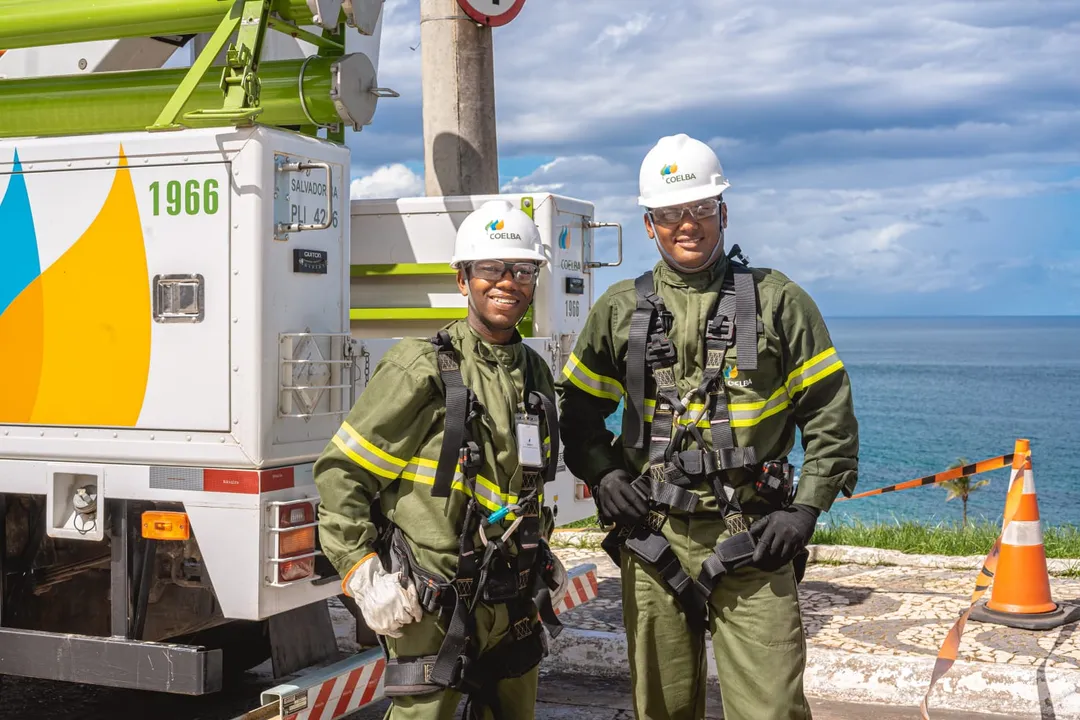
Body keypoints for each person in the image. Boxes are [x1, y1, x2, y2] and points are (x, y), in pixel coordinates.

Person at [556, 133, 859, 720]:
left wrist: (807, 509)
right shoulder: (620, 310)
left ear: (722, 211)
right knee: (661, 709)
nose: (686, 224)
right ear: (650, 225)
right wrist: (605, 474)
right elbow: (578, 410)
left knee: (771, 708)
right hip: (653, 537)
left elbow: (829, 412)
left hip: (754, 537)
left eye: (699, 209)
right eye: (670, 214)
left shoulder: (778, 302)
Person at [314, 199, 569, 720]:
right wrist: (361, 570)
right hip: (434, 601)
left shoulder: (536, 373)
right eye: (490, 268)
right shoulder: (422, 366)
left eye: (522, 269)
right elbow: (343, 472)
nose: (507, 282)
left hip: (514, 592)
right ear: (462, 279)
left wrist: (540, 547)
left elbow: (527, 479)